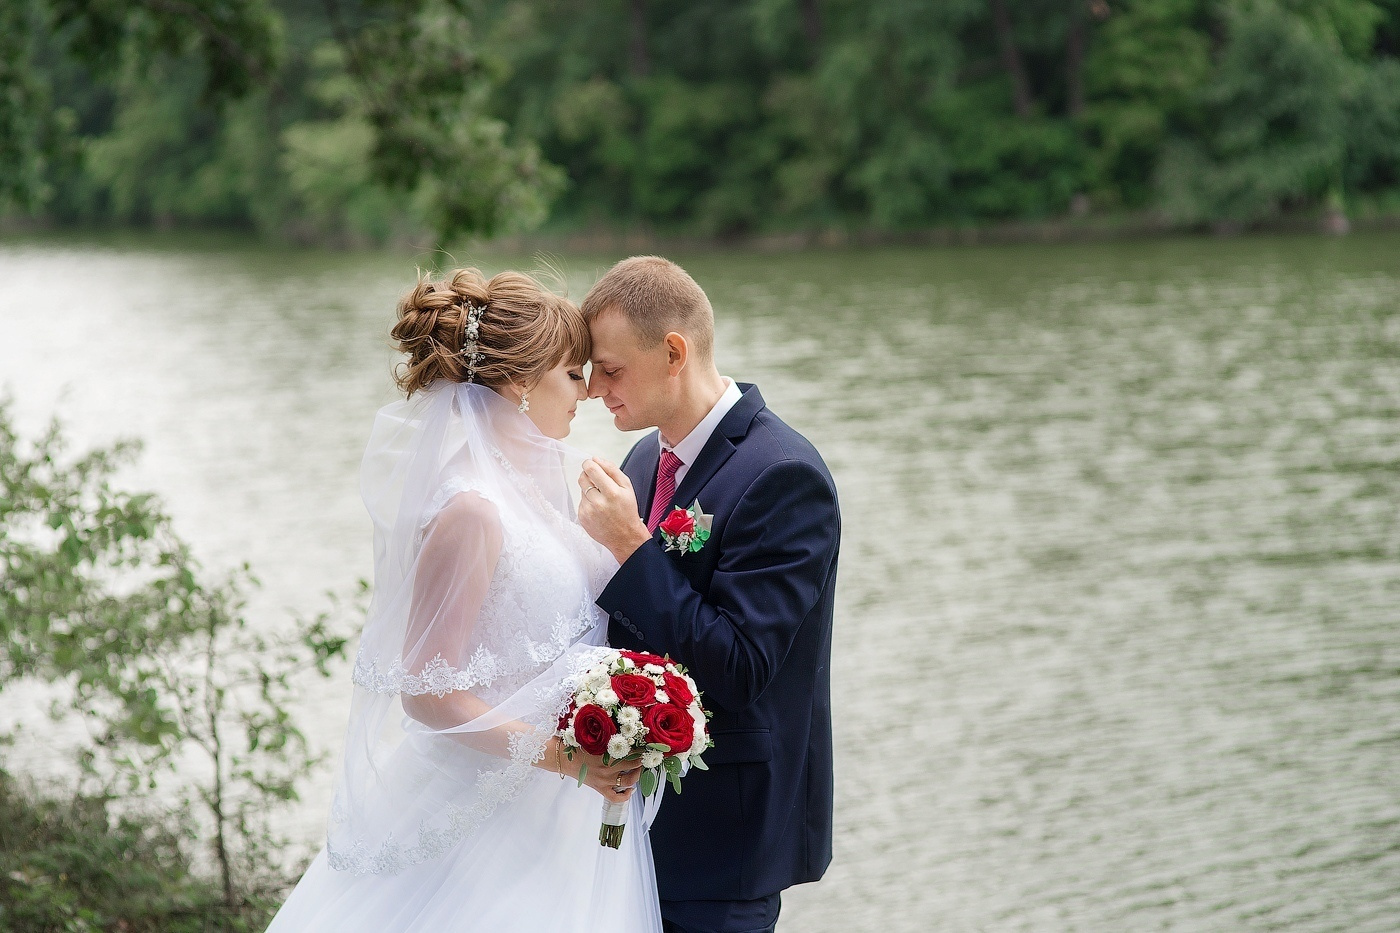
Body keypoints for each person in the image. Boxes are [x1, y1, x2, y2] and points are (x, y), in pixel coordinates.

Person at [265, 268, 661, 933]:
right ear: (517, 383)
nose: (588, 391)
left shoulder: (542, 485)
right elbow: (426, 691)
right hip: (492, 805)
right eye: (572, 374)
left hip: (561, 809)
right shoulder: (471, 509)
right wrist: (567, 758)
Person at [576, 256, 840, 933]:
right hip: (634, 823)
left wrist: (633, 550)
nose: (594, 389)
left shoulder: (782, 475)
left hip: (725, 840)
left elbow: (741, 665)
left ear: (672, 352)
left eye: (609, 369)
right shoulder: (643, 459)